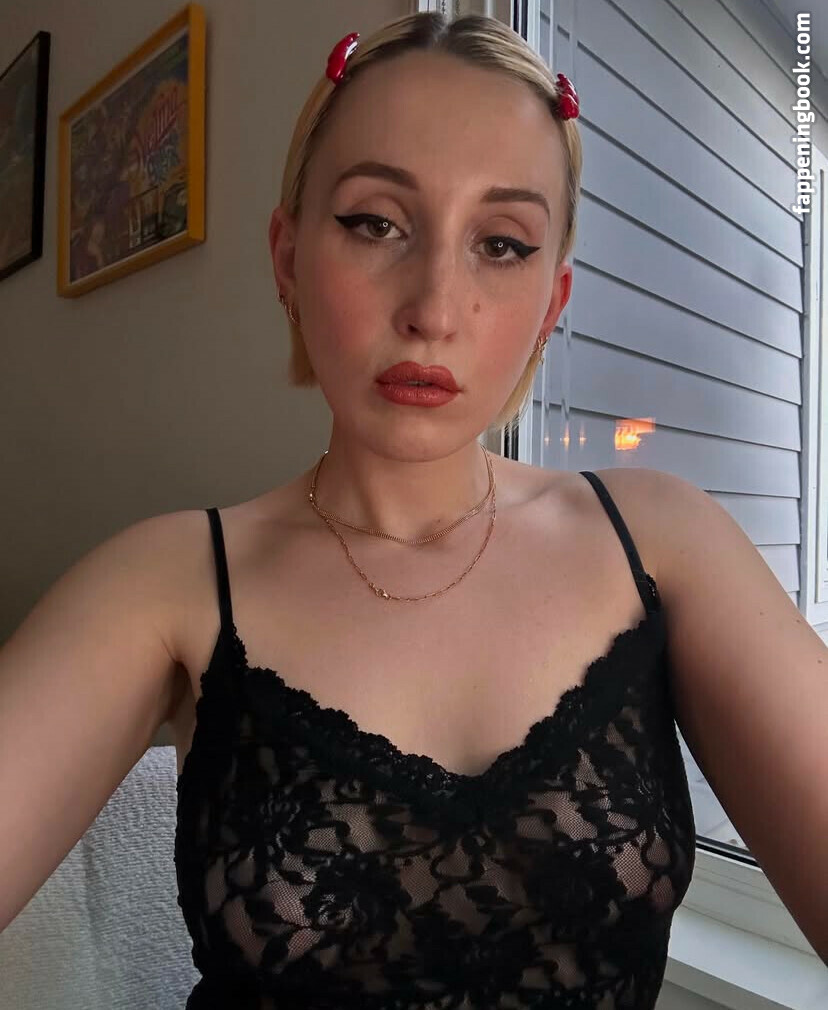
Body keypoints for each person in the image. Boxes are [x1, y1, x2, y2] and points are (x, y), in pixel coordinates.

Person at [2, 10, 826, 1008]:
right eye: (375, 223)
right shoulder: (164, 583)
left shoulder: (664, 540)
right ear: (287, 258)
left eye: (502, 243)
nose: (433, 308)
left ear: (552, 304)